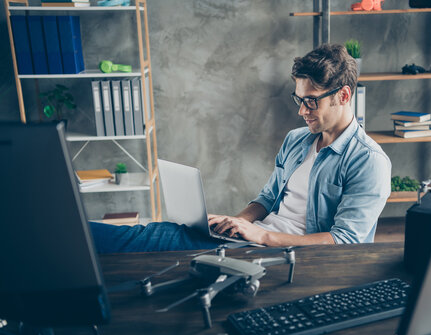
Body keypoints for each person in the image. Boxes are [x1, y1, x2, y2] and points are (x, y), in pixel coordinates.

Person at [91, 44, 391, 253]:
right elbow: (267, 198)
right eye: (299, 99)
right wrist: (238, 222)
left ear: (343, 95)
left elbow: (346, 241)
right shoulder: (297, 140)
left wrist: (263, 236)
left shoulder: (368, 161)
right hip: (255, 240)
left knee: (153, 239)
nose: (302, 111)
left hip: (283, 254)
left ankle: (68, 238)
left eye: (311, 101)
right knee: (163, 235)